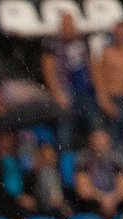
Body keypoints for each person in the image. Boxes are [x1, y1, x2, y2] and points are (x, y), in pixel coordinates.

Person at [43, 10, 96, 147]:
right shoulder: (53, 44)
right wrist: (58, 94)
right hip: (66, 92)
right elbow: (48, 71)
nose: (69, 28)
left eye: (71, 24)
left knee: (95, 126)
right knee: (65, 132)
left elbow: (92, 65)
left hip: (84, 91)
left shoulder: (83, 41)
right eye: (66, 25)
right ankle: (66, 162)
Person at [74, 127, 123, 219]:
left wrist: (112, 198)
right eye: (95, 138)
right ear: (90, 140)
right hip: (93, 202)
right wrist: (102, 198)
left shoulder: (117, 158)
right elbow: (83, 190)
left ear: (108, 140)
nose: (98, 141)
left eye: (101, 138)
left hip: (116, 202)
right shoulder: (82, 158)